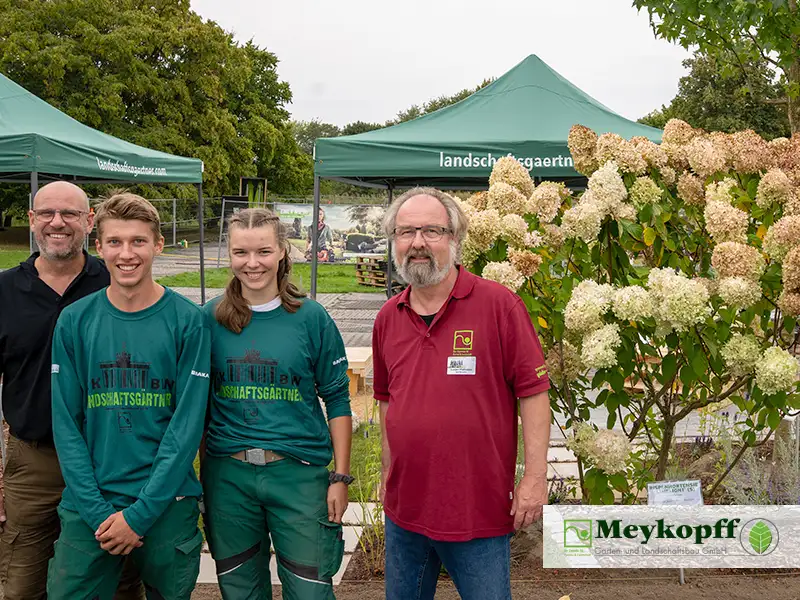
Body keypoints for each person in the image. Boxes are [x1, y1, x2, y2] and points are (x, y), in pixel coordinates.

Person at [372, 187, 552, 600]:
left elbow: (534, 393)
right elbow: (386, 400)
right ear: (394, 242)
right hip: (406, 510)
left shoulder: (499, 305)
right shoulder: (388, 317)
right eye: (406, 232)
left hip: (477, 508)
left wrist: (535, 477)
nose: (418, 243)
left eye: (432, 231)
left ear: (454, 238)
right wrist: (387, 469)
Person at [47, 192, 210, 599]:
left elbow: (185, 429)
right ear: (98, 246)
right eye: (115, 242)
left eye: (138, 241)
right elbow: (66, 425)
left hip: (166, 500)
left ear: (158, 244)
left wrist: (139, 515)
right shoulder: (75, 321)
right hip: (91, 502)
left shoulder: (188, 321)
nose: (126, 253)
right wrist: (99, 511)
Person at [0, 181, 143, 600]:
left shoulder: (116, 281)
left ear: (89, 222)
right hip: (35, 461)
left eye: (69, 214)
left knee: (118, 579)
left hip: (111, 457)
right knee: (22, 583)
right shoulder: (5, 292)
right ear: (31, 221)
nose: (57, 222)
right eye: (46, 213)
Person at [201, 208, 352, 599]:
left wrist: (340, 477)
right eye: (240, 253)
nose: (252, 264)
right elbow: (195, 407)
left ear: (283, 251)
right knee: (240, 590)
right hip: (229, 477)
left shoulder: (311, 318)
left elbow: (336, 398)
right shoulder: (209, 319)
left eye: (264, 251)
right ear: (229, 254)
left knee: (310, 591)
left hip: (298, 475)